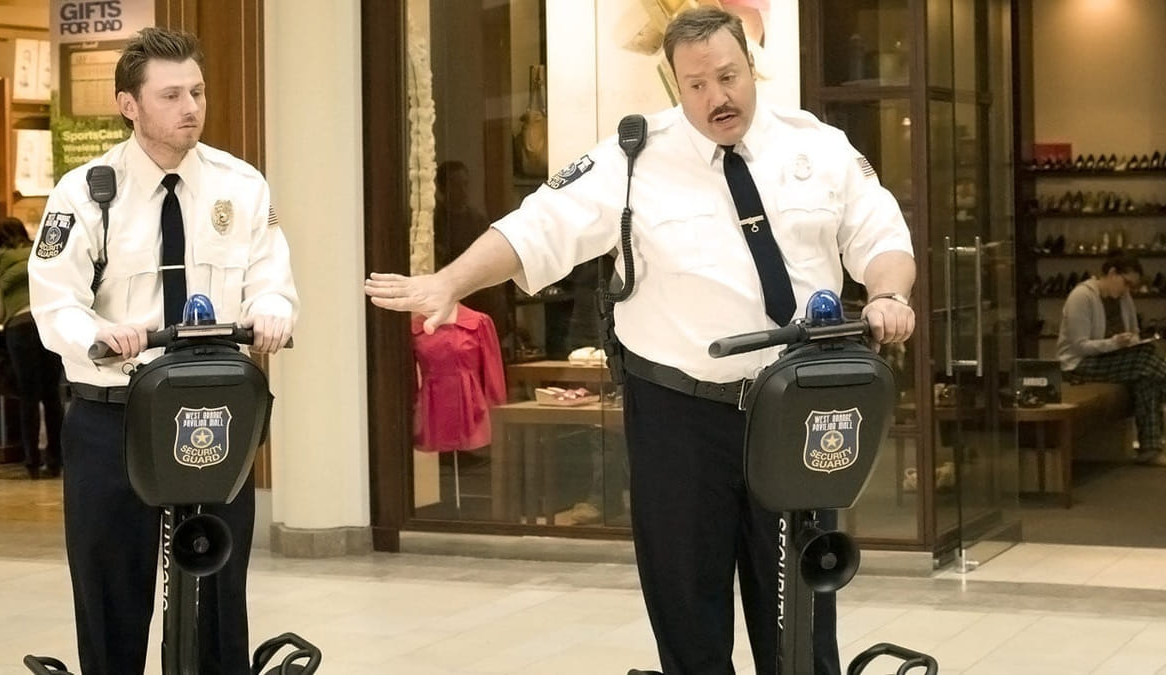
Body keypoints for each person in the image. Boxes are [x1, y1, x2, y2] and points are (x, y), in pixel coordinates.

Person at [366, 7, 915, 674]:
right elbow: (540, 227)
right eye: (697, 85)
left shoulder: (818, 148)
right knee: (687, 612)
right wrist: (450, 281)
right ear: (675, 85)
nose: (716, 97)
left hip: (792, 412)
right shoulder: (632, 158)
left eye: (728, 77)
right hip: (678, 417)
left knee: (799, 620)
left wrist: (888, 294)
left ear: (751, 67)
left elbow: (880, 235)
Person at [27, 27, 298, 675]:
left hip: (211, 413)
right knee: (111, 591)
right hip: (113, 414)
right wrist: (98, 335)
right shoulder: (85, 192)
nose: (191, 107)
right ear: (129, 105)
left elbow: (271, 278)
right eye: (171, 95)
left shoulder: (241, 185)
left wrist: (272, 313)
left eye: (197, 91)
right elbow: (54, 301)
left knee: (217, 591)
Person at [1056, 252, 1166, 465]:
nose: (1127, 289)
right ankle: (1151, 448)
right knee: (1145, 361)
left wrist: (1132, 340)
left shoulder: (1124, 299)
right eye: (1126, 283)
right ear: (1112, 273)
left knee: (1147, 374)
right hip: (1078, 364)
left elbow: (1133, 331)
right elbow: (1079, 346)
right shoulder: (1081, 297)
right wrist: (1114, 343)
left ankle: (1150, 450)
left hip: (1112, 359)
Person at [0, 216, 65, 480]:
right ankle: (56, 459)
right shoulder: (38, 252)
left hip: (19, 327)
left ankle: (31, 461)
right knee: (52, 395)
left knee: (28, 396)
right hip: (47, 324)